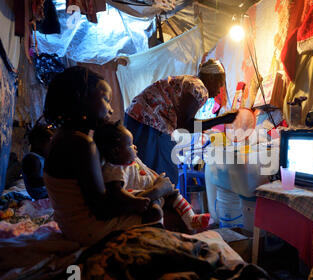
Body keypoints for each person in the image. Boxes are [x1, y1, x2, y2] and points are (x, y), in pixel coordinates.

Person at [42, 66, 175, 246]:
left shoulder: (65, 136)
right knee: (156, 210)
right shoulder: (81, 144)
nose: (111, 110)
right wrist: (156, 190)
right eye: (106, 100)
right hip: (88, 229)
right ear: (82, 100)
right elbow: (103, 209)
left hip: (72, 226)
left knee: (151, 201)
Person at [124, 59, 238, 185]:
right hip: (150, 123)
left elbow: (184, 122)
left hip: (136, 118)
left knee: (147, 173)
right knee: (165, 177)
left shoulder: (189, 80)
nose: (218, 91)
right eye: (219, 85)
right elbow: (185, 126)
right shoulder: (200, 89)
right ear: (211, 78)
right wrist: (223, 119)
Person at [94, 122, 211, 230]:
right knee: (155, 211)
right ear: (116, 151)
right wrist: (135, 201)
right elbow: (116, 192)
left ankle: (190, 217)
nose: (134, 147)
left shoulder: (130, 160)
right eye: (130, 145)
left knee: (176, 196)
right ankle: (159, 232)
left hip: (155, 192)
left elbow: (145, 172)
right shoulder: (115, 168)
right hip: (141, 197)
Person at [22, 123, 54, 200]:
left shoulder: (41, 158)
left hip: (46, 195)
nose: (50, 146)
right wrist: (54, 180)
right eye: (48, 142)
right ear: (38, 143)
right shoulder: (32, 159)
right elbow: (34, 182)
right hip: (42, 196)